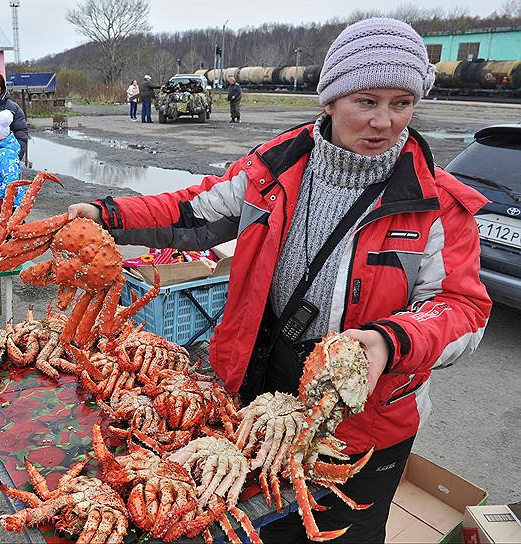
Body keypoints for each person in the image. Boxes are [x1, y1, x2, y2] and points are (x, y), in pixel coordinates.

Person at [67, 18, 491, 543]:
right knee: (252, 524)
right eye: (367, 100)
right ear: (330, 100)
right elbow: (193, 212)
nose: (385, 121)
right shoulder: (276, 167)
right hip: (256, 387)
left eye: (401, 103)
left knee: (344, 532)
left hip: (363, 419)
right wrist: (107, 213)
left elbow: (463, 311)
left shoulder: (439, 206)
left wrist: (390, 341)